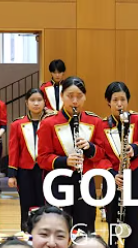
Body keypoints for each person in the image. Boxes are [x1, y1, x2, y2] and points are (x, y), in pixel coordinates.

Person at [37, 76, 106, 234]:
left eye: (79, 96)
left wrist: (90, 148)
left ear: (85, 97)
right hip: (58, 183)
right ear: (62, 96)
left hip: (85, 183)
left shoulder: (94, 121)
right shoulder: (48, 123)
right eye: (70, 96)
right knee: (59, 230)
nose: (75, 101)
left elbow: (102, 153)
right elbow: (42, 158)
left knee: (85, 230)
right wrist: (65, 161)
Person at [100, 81, 138, 248]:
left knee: (134, 220)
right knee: (113, 219)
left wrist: (135, 148)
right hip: (112, 176)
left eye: (123, 100)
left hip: (135, 175)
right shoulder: (102, 125)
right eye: (115, 100)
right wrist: (112, 174)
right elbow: (100, 156)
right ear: (108, 102)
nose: (119, 104)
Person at [8, 89, 47, 231]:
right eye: (32, 100)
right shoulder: (17, 124)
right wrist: (12, 174)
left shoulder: (50, 122)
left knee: (44, 205)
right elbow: (14, 150)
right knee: (26, 205)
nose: (36, 103)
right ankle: (26, 233)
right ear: (26, 102)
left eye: (39, 100)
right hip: (25, 172)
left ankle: (43, 232)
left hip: (45, 171)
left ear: (44, 102)